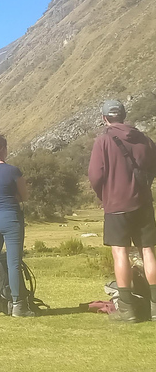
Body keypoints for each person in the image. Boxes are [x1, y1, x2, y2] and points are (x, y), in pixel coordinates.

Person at [88, 99, 156, 322]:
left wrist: (104, 196)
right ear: (124, 116)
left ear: (104, 118)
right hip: (144, 204)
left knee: (120, 253)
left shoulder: (103, 140)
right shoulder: (145, 139)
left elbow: (96, 176)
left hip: (117, 205)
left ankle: (126, 309)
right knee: (148, 251)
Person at [0, 135, 33, 317]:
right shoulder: (13, 171)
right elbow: (24, 196)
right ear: (3, 149)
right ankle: (18, 305)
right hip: (9, 217)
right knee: (13, 262)